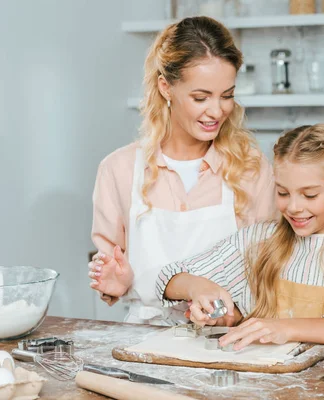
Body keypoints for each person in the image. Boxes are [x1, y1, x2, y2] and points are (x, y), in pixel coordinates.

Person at [87, 17, 276, 325]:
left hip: (225, 341)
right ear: (166, 87)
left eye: (227, 95)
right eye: (201, 97)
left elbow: (269, 275)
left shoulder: (251, 169)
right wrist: (115, 285)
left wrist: (231, 315)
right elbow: (113, 274)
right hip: (142, 344)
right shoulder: (118, 170)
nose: (217, 111)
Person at [150, 123, 324, 353]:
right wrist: (200, 288)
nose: (293, 207)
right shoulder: (260, 238)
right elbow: (168, 277)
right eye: (282, 192)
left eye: (309, 195)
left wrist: (285, 328)